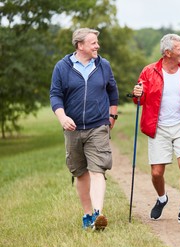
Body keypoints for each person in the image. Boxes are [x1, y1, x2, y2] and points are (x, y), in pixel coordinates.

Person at [50, 28, 119, 230]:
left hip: (98, 125)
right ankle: (88, 215)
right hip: (73, 129)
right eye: (93, 43)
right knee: (80, 173)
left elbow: (112, 92)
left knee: (98, 170)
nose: (98, 46)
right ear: (80, 45)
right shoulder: (62, 67)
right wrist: (62, 117)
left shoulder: (103, 65)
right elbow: (55, 95)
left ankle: (98, 213)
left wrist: (112, 116)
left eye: (97, 42)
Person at [132, 34, 180, 224]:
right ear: (168, 52)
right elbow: (140, 99)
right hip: (158, 127)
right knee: (156, 173)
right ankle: (162, 198)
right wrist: (137, 93)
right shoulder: (149, 71)